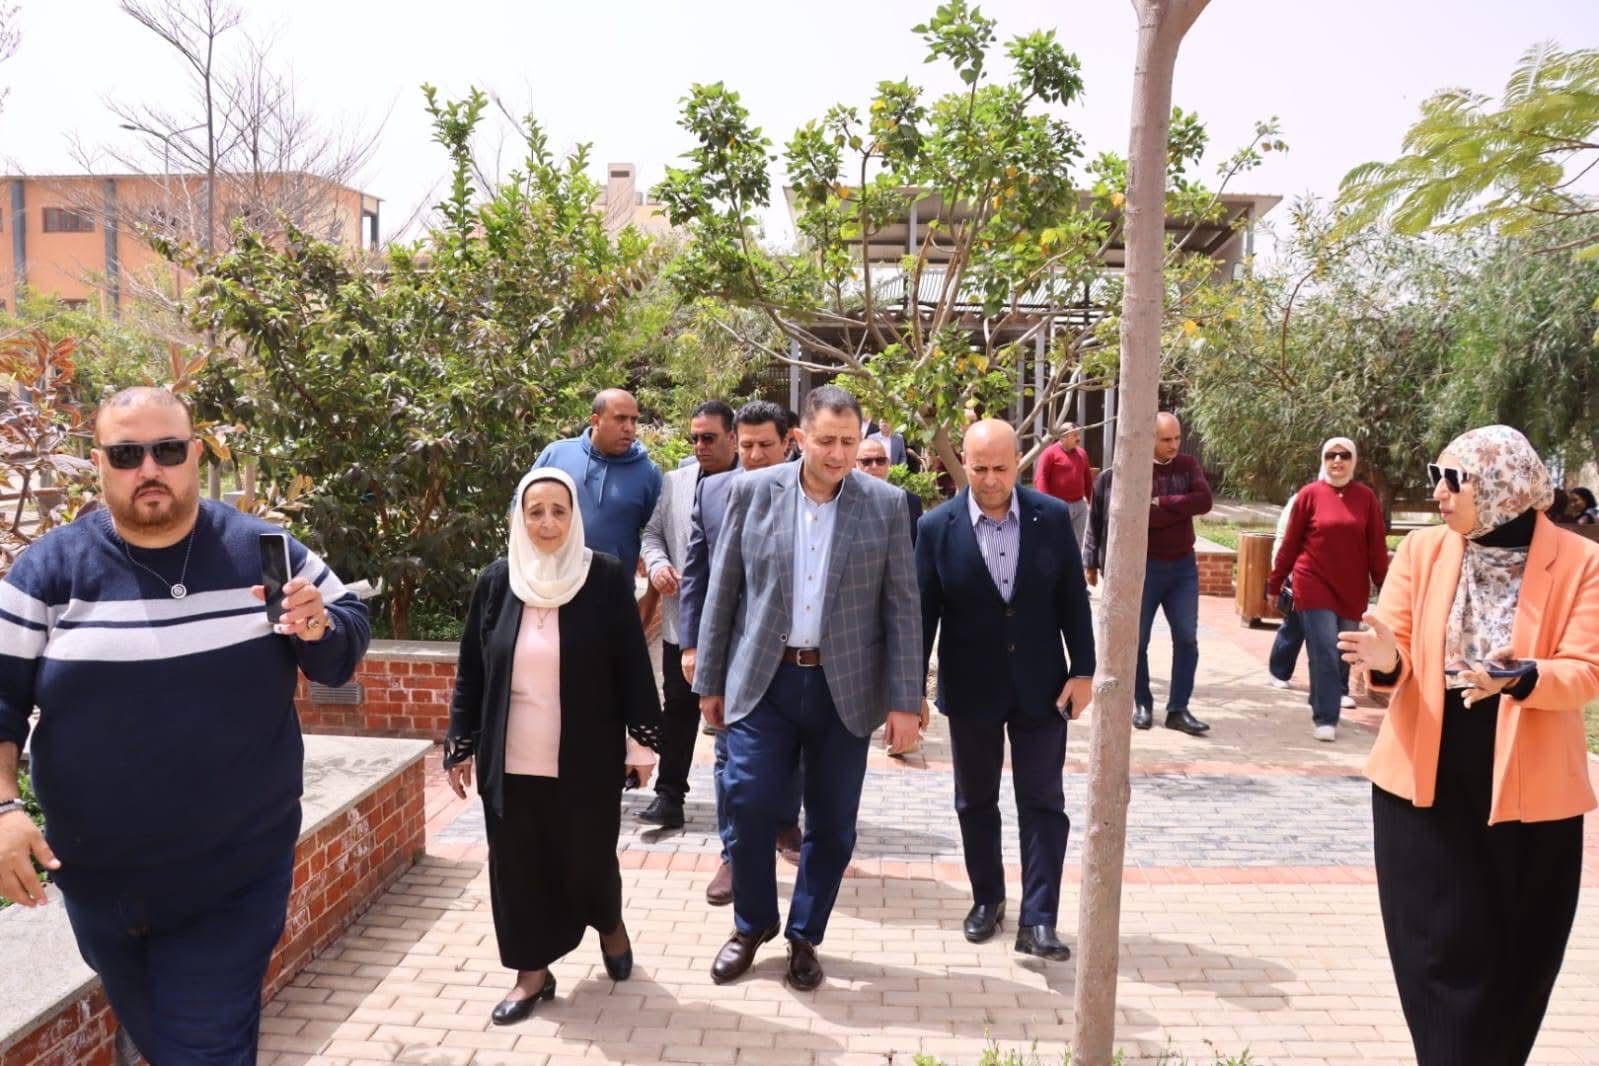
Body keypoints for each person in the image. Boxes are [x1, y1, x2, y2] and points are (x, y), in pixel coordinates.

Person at [0, 387, 370, 1064]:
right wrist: (3, 809)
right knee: (176, 1035)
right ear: (99, 462)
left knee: (202, 1043)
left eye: (168, 450)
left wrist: (321, 624)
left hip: (236, 871)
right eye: (127, 454)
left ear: (196, 454)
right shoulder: (49, 572)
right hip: (101, 880)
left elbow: (341, 639)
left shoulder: (263, 552)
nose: (150, 469)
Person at [1337, 425, 1598, 1066]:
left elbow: (1586, 669)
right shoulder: (1423, 549)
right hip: (1423, 782)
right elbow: (1395, 645)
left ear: (1503, 486)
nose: (1438, 493)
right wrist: (1384, 659)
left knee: (1519, 962)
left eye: (1454, 480)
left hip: (1533, 793)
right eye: (1436, 476)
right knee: (1435, 961)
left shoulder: (1581, 561)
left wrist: (1524, 677)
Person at [693, 385, 921, 990]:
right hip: (761, 681)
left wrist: (905, 701)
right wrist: (710, 678)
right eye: (826, 441)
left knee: (833, 823)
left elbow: (903, 606)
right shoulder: (751, 492)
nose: (839, 453)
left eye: (848, 441)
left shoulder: (886, 505)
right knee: (746, 802)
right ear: (800, 439)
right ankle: (752, 924)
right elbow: (724, 588)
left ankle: (804, 935)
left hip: (844, 687)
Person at [443, 467, 662, 1026]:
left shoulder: (603, 577)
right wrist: (460, 744)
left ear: (574, 517)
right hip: (510, 758)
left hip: (586, 758)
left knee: (587, 860)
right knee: (517, 868)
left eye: (558, 511)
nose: (546, 523)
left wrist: (641, 746)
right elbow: (472, 670)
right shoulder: (498, 581)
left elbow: (631, 664)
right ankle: (531, 972)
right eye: (535, 511)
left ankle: (609, 925)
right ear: (519, 517)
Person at [916, 420, 1095, 961]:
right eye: (979, 468)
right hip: (971, 687)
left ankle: (1039, 920)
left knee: (1044, 802)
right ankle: (987, 898)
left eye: (1001, 468)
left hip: (1043, 686)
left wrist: (1083, 670)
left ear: (1018, 462)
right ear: (963, 464)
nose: (991, 480)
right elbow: (923, 616)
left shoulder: (1052, 517)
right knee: (975, 800)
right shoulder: (936, 527)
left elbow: (1073, 598)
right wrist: (909, 691)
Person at [679, 401, 801, 905]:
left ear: (789, 443)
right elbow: (697, 573)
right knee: (730, 759)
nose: (753, 456)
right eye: (746, 445)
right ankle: (733, 855)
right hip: (733, 654)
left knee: (792, 752)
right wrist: (692, 645)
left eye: (764, 446)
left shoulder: (815, 494)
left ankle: (784, 822)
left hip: (796, 655)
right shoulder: (712, 491)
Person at [637, 400, 737, 830]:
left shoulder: (754, 482)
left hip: (737, 628)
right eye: (694, 438)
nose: (699, 446)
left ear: (733, 437)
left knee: (735, 717)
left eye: (708, 438)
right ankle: (669, 796)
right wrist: (658, 565)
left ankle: (745, 807)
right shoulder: (675, 482)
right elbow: (653, 534)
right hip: (683, 622)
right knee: (678, 711)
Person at [1082, 411, 1213, 735]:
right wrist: (1090, 561)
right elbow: (1107, 519)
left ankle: (1178, 710)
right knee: (1136, 641)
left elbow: (1204, 501)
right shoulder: (1123, 473)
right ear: (1149, 438)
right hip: (1143, 569)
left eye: (1177, 438)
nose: (1174, 445)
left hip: (1182, 567)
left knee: (1187, 637)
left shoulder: (1187, 466)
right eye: (1166, 439)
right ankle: (1142, 704)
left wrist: (1161, 503)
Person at [1266, 437, 1388, 741]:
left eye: (1344, 455)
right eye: (1331, 455)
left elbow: (1376, 547)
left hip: (1351, 588)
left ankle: (1322, 697)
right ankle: (1325, 717)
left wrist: (1386, 587)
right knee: (1323, 649)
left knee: (1343, 651)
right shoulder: (1309, 495)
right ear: (1323, 460)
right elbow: (1291, 544)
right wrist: (1275, 581)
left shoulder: (1366, 498)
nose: (1337, 461)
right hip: (1313, 582)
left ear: (1353, 461)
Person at [533, 388, 662, 578]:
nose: (629, 428)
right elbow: (519, 507)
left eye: (633, 420)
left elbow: (659, 535)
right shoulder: (556, 455)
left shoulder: (647, 473)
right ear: (595, 421)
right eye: (620, 419)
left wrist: (652, 591)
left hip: (612, 588)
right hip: (552, 581)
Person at [1032, 421, 1094, 553]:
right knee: (1056, 543)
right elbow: (1040, 479)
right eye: (1075, 435)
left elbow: (1088, 480)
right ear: (1063, 437)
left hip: (1080, 507)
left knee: (1079, 544)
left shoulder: (1082, 454)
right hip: (1058, 506)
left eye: (1078, 434)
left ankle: (1076, 565)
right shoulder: (1049, 453)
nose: (1079, 438)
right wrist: (1047, 506)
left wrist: (1092, 503)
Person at [857, 436, 923, 543]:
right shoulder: (842, 500)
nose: (874, 466)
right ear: (855, 465)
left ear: (888, 464)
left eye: (880, 460)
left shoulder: (910, 501)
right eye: (867, 461)